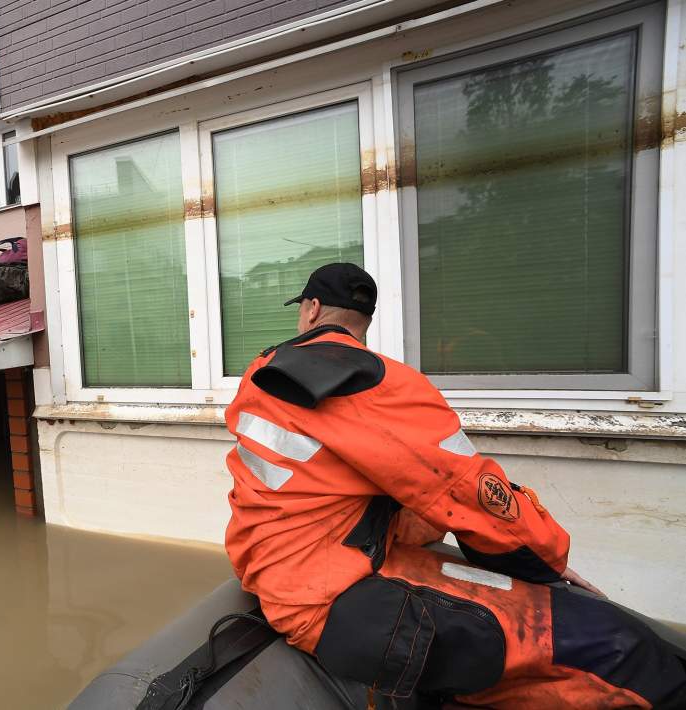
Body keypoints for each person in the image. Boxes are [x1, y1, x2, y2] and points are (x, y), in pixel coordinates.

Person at [224, 263, 686, 708]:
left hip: (278, 569)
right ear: (365, 321)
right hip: (328, 597)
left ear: (310, 309)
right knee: (624, 650)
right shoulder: (373, 384)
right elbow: (469, 490)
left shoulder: (263, 371)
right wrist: (546, 560)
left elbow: (325, 489)